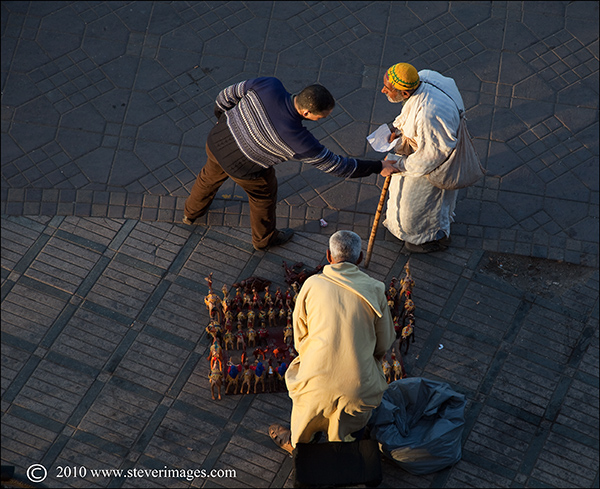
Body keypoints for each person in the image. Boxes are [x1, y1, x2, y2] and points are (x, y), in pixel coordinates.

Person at [183, 77, 397, 251]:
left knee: (208, 177)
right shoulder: (299, 140)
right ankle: (263, 240)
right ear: (306, 113)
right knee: (263, 196)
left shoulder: (269, 84)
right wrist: (378, 167)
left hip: (216, 142)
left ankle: (191, 213)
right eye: (320, 117)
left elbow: (226, 96)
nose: (321, 120)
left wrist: (223, 120)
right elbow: (338, 166)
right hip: (245, 168)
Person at [268, 230, 395, 454]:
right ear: (360, 258)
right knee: (351, 413)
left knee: (306, 407)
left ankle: (299, 445)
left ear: (328, 256)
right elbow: (384, 345)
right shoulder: (376, 290)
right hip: (357, 389)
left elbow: (299, 338)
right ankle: (344, 444)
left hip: (314, 383)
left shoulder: (311, 285)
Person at [380, 62, 464, 253]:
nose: (383, 90)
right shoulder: (423, 76)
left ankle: (433, 238)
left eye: (388, 89)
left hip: (432, 163)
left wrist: (400, 164)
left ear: (406, 94)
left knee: (419, 206)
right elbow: (411, 113)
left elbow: (431, 156)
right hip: (426, 146)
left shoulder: (429, 115)